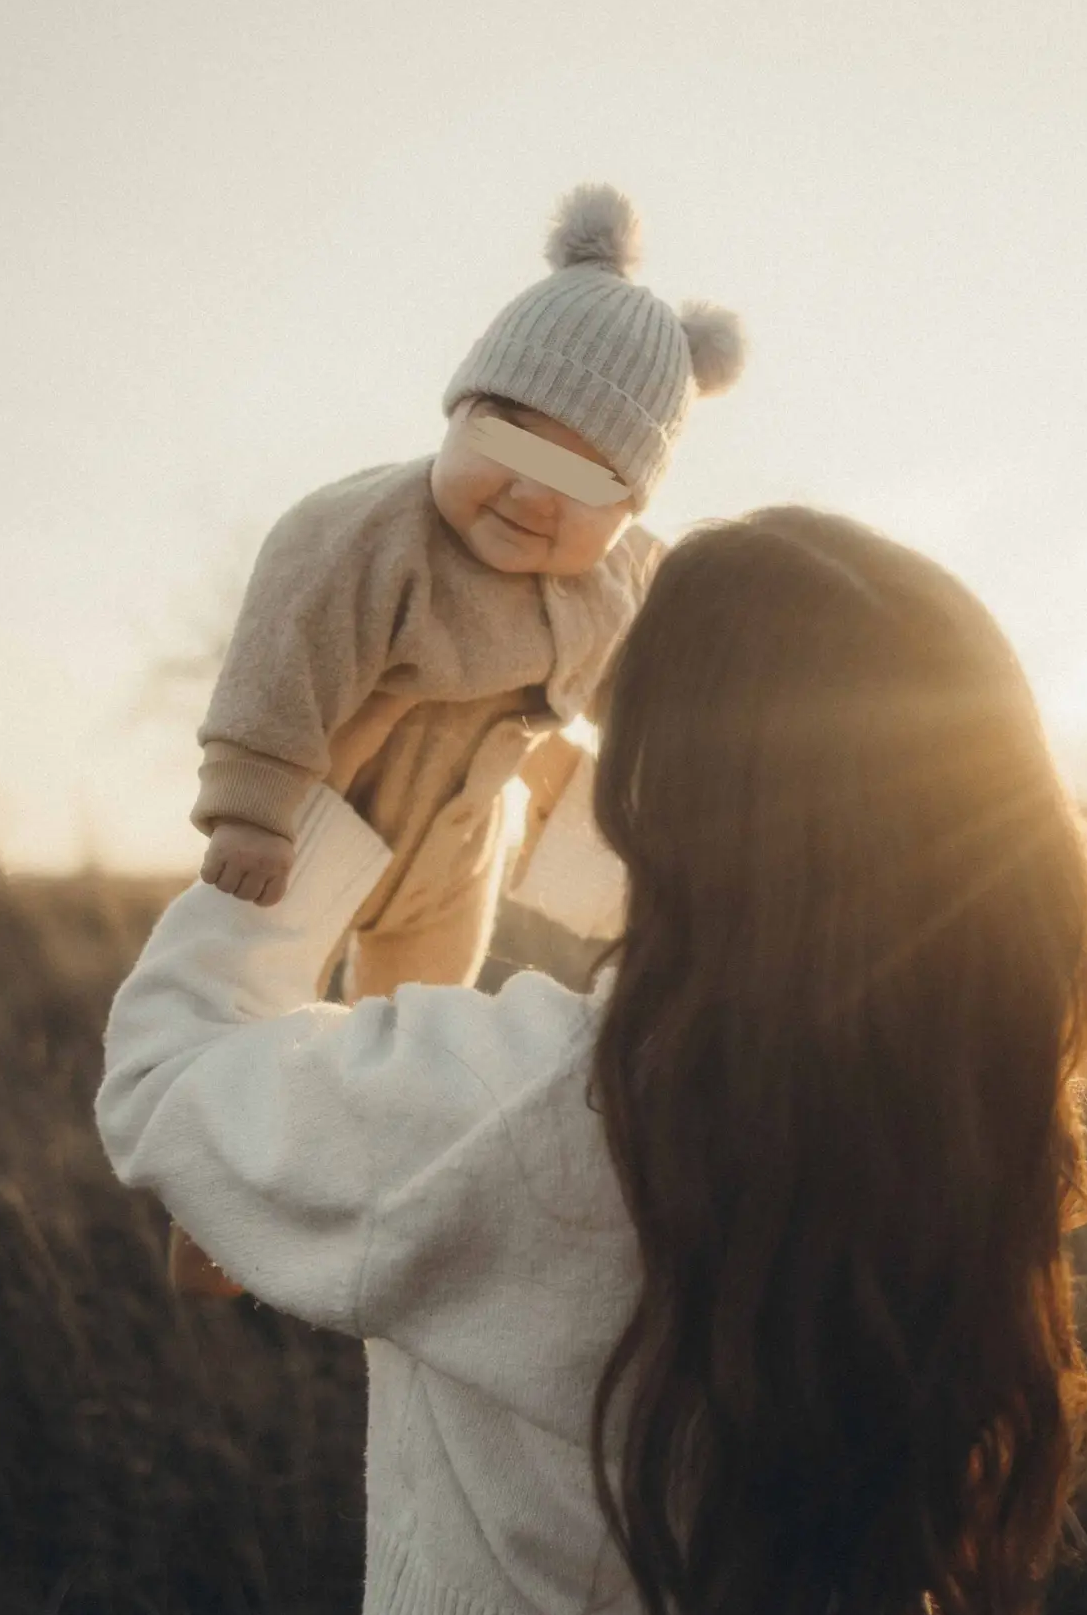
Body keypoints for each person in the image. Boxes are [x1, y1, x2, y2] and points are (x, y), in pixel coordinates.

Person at [96, 504, 1087, 1615]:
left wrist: (319, 812)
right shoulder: (951, 1105)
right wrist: (482, 784)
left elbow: (167, 1073)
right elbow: (780, 911)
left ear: (666, 790)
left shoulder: (519, 1109)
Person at [165, 180, 745, 1295]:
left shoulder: (618, 584)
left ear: (629, 510)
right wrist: (248, 800)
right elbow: (281, 656)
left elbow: (644, 694)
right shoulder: (369, 535)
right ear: (455, 411)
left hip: (458, 854)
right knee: (247, 1020)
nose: (535, 493)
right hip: (316, 822)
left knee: (405, 1041)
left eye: (587, 479)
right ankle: (211, 1218)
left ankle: (352, 1203)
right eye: (510, 436)